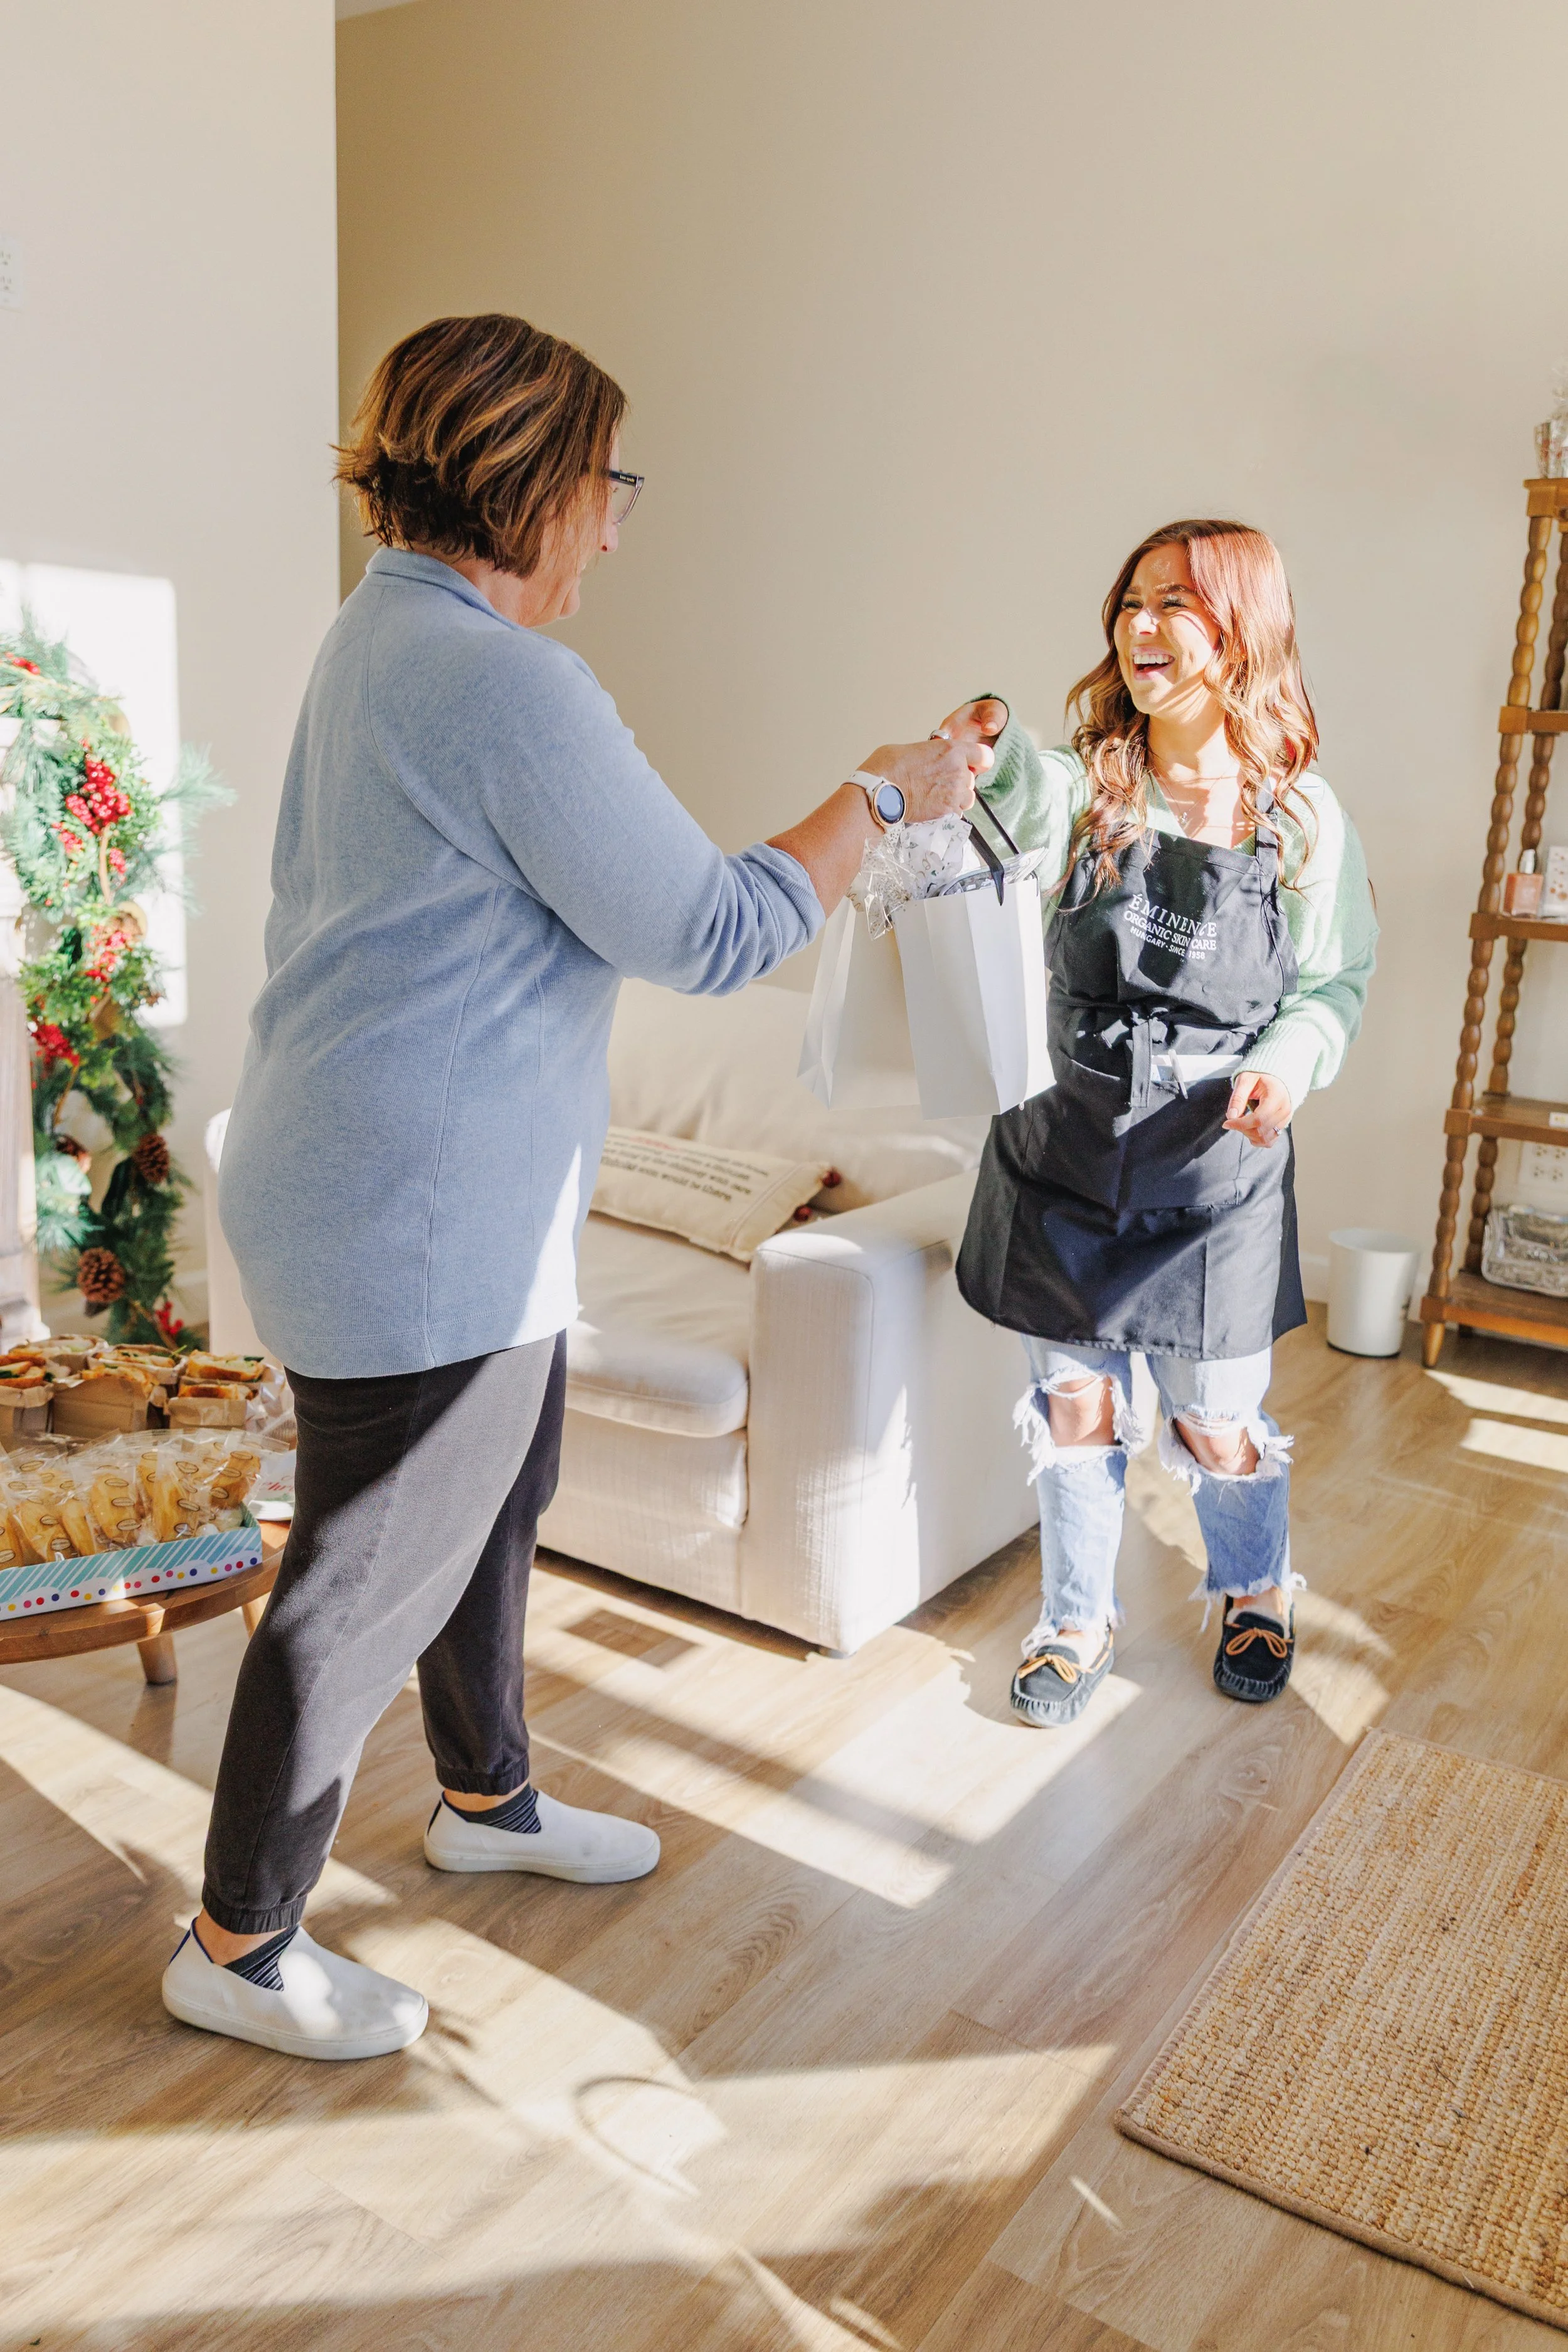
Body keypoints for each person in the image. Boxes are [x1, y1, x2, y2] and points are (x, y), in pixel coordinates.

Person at [161, 312, 986, 2060]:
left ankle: (487, 1793)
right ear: (528, 478)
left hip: (398, 1183)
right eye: (608, 483)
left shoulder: (383, 631)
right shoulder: (498, 679)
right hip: (413, 1212)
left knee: (490, 1491)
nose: (617, 524)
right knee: (362, 1572)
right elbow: (710, 927)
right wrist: (880, 794)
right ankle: (235, 1940)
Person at [939, 519, 1377, 1728]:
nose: (1140, 625)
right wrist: (991, 740)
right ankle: (1078, 1617)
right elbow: (1024, 791)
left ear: (1243, 632)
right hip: (1065, 1150)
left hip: (1215, 1174)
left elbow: (1333, 984)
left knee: (1216, 1416)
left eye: (1176, 603)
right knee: (1077, 1409)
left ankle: (1253, 1588)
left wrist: (1289, 1064)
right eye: (1131, 600)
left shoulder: (1300, 820)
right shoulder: (1091, 785)